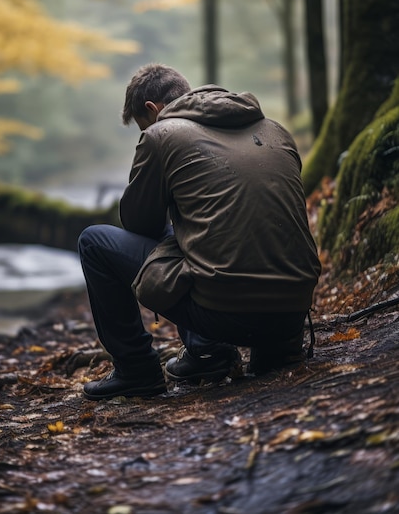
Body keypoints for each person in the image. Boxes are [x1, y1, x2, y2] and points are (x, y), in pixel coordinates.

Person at [78, 63, 321, 401]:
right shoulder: (274, 130)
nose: (143, 133)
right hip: (292, 313)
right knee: (206, 223)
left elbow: (140, 225)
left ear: (152, 110)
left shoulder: (161, 134)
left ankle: (138, 370)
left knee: (94, 241)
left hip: (226, 314)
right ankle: (217, 352)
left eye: (141, 125)